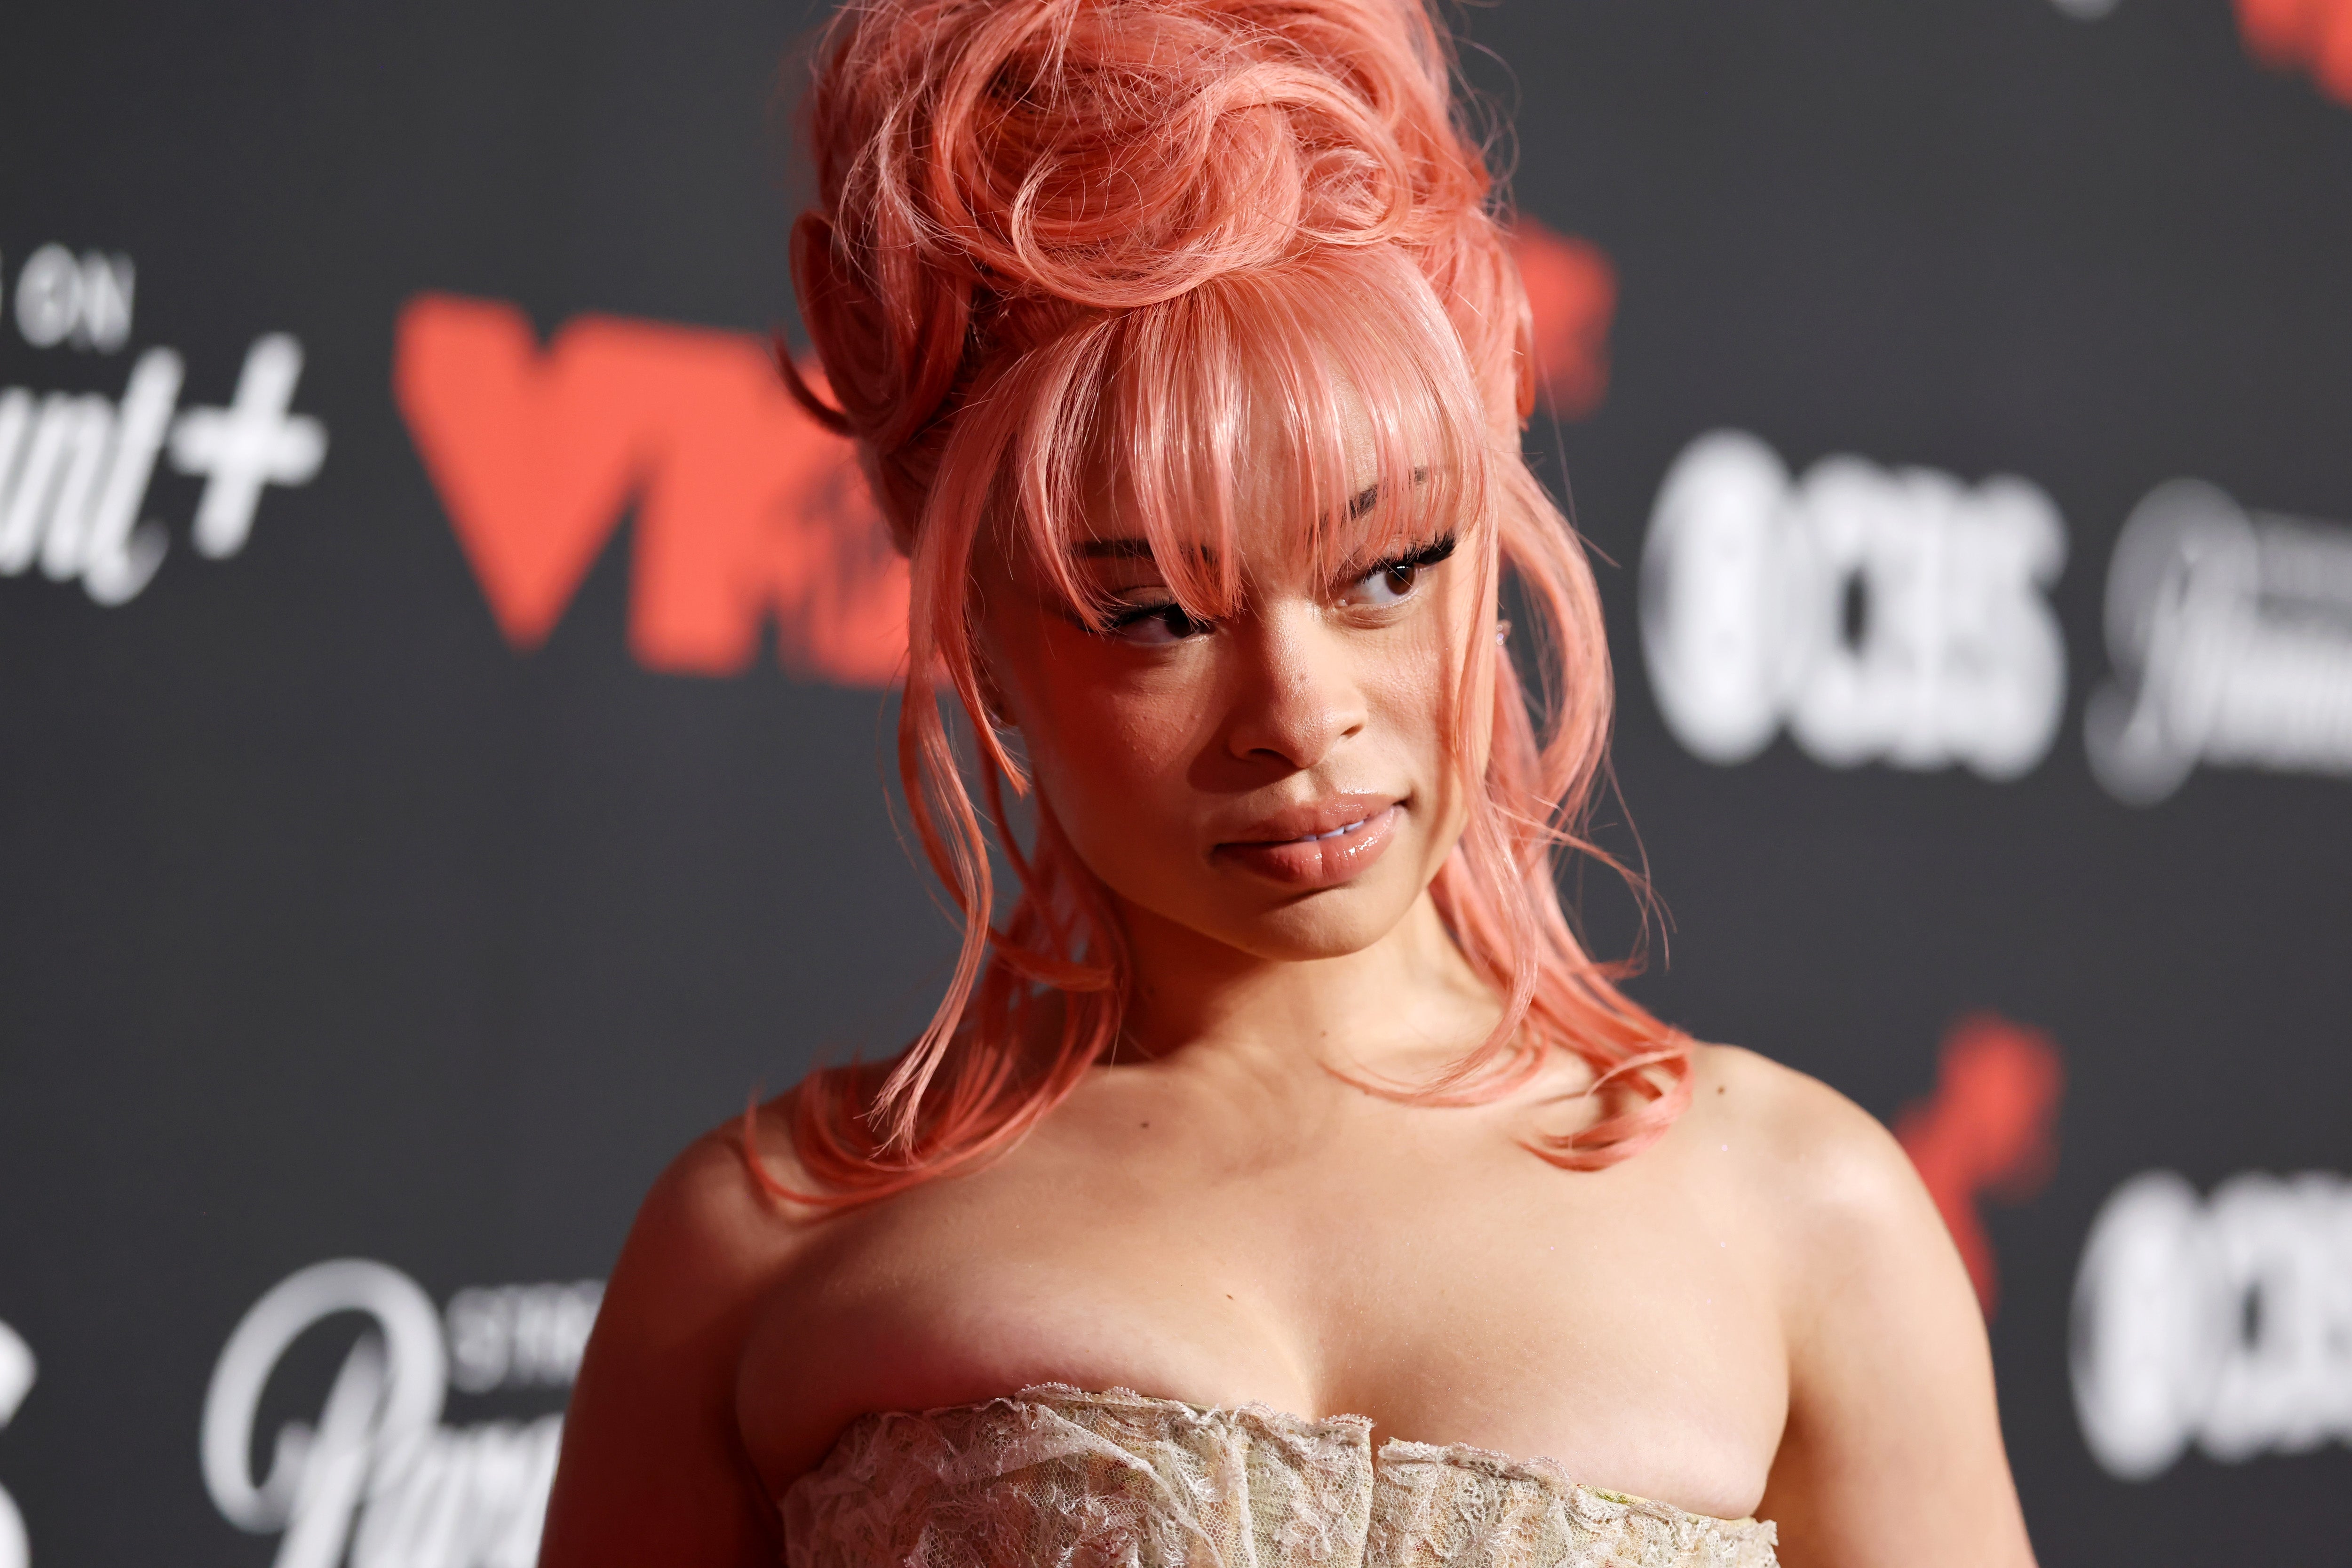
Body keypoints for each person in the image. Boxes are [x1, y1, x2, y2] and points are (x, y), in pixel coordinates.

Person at [539, 0, 2036, 1563]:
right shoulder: (757, 1243)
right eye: (1155, 616)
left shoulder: (1809, 1210)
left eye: (1387, 568)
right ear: (975, 627)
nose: (1299, 717)